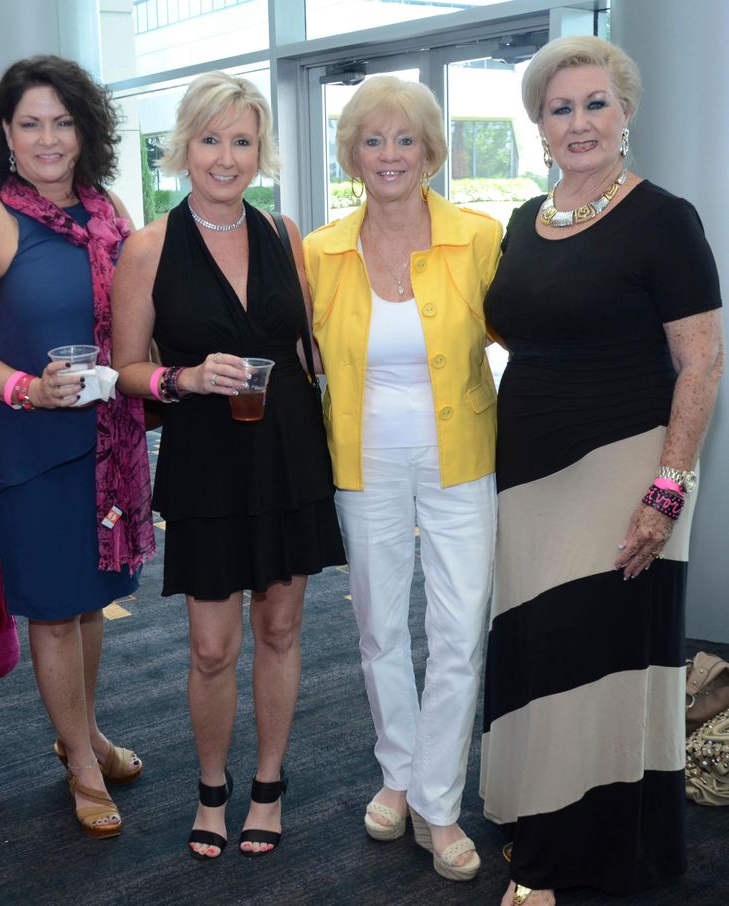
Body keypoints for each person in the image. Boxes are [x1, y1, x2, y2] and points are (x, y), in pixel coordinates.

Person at [480, 36, 724, 906]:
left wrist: (668, 487)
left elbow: (701, 364)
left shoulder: (665, 217)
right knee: (536, 643)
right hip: (529, 464)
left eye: (594, 104)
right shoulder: (524, 220)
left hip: (627, 465)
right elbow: (516, 328)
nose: (577, 122)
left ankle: (564, 857)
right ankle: (535, 808)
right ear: (538, 126)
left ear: (626, 114)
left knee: (592, 650)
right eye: (559, 107)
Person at [112, 71, 344, 859]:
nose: (225, 156)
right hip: (208, 458)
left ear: (260, 151)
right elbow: (125, 368)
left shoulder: (283, 233)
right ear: (183, 147)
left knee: (280, 629)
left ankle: (269, 784)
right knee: (212, 647)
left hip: (288, 454)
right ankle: (213, 788)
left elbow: (312, 346)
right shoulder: (148, 247)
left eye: (241, 141)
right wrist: (181, 378)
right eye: (210, 139)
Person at [0, 55, 155, 839]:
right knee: (56, 612)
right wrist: (27, 389)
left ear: (85, 130)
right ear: (5, 133)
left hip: (107, 444)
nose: (47, 138)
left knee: (91, 598)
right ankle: (79, 761)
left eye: (62, 121)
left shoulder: (111, 213)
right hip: (32, 448)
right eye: (30, 123)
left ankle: (86, 732)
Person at [303, 76, 501, 881]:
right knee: (381, 626)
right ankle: (397, 775)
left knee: (459, 630)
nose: (389, 154)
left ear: (431, 152)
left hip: (462, 458)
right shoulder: (319, 251)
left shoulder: (481, 238)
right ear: (351, 154)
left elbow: (541, 332)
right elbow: (298, 359)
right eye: (372, 140)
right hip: (363, 460)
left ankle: (439, 803)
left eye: (405, 139)